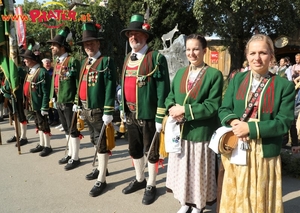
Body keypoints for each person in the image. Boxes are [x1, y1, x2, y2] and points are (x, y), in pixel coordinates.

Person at [218, 34, 295, 213]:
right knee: (236, 197)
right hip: (237, 148)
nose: (257, 58)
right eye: (253, 53)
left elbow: (283, 123)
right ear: (247, 55)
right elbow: (224, 109)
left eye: (263, 53)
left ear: (271, 56)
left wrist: (250, 128)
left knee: (258, 199)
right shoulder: (237, 79)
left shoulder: (284, 86)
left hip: (264, 153)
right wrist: (235, 121)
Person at [164, 34, 222, 213]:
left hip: (200, 133)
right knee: (183, 171)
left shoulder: (214, 75)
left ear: (204, 51)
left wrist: (185, 111)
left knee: (198, 173)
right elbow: (170, 96)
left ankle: (198, 205)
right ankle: (185, 202)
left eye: (196, 49)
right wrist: (172, 108)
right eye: (188, 49)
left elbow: (212, 106)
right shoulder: (181, 72)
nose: (192, 53)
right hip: (180, 132)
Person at [119, 14, 170, 205]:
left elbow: (163, 89)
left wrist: (160, 116)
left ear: (146, 36)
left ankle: (151, 184)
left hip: (149, 115)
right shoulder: (127, 58)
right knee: (135, 149)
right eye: (131, 34)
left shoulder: (156, 58)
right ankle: (140, 179)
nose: (134, 37)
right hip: (130, 113)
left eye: (138, 34)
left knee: (151, 151)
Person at [74, 22, 116, 196]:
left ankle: (102, 179)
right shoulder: (84, 62)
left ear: (98, 43)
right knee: (94, 140)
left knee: (102, 143)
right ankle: (101, 168)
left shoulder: (106, 62)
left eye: (91, 43)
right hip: (84, 108)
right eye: (86, 44)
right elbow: (80, 84)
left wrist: (108, 110)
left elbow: (110, 87)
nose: (88, 46)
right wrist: (77, 101)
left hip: (98, 110)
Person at [47, 27, 81, 170]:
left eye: (54, 45)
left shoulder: (72, 61)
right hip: (59, 100)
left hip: (69, 101)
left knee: (73, 129)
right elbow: (54, 82)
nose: (51, 47)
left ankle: (75, 157)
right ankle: (70, 153)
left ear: (62, 47)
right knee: (66, 128)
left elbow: (78, 83)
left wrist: (76, 101)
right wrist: (52, 97)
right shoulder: (57, 62)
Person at [20, 42, 52, 157]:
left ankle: (47, 146)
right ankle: (41, 144)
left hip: (39, 104)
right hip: (33, 104)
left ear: (32, 60)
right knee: (38, 124)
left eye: (26, 59)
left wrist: (44, 106)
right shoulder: (31, 71)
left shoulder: (42, 72)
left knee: (44, 125)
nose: (24, 61)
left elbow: (45, 92)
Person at [42, 58, 60, 127]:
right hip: (47, 92)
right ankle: (50, 119)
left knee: (55, 106)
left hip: (53, 91)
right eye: (46, 63)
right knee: (48, 106)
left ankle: (56, 120)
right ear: (43, 64)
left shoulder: (53, 71)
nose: (48, 64)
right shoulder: (42, 72)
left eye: (49, 62)